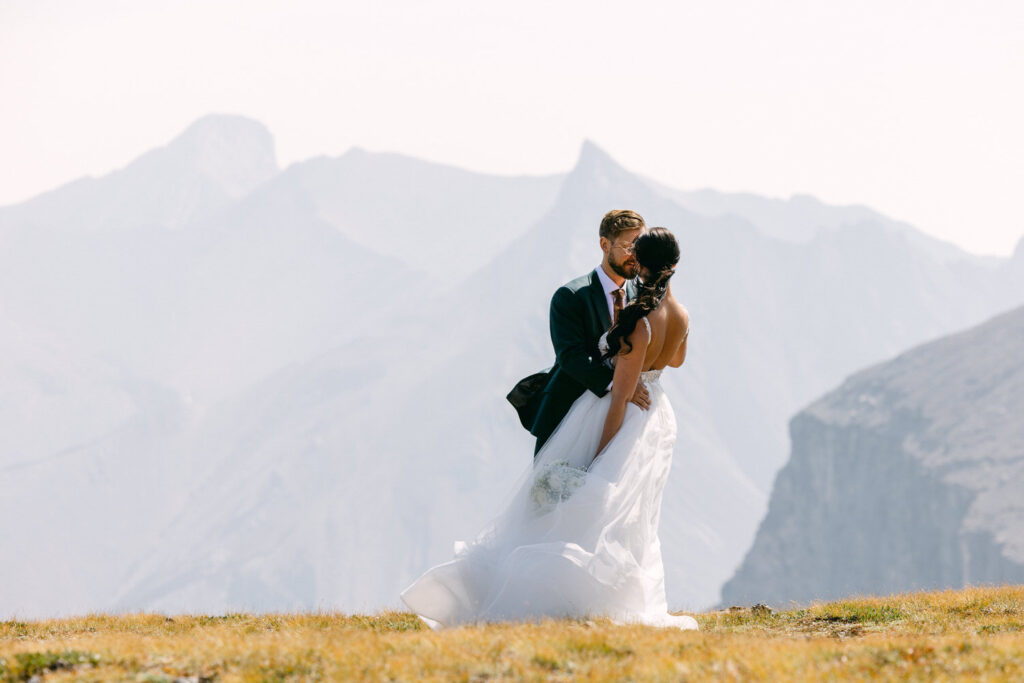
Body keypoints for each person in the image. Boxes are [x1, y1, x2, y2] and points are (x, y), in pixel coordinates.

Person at [400, 227, 697, 630]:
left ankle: (560, 596)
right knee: (629, 515)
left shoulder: (639, 324)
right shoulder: (682, 317)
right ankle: (611, 595)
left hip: (618, 420)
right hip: (656, 424)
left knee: (586, 503)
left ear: (640, 267)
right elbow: (675, 362)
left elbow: (620, 398)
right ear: (674, 266)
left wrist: (598, 458)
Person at [507, 210, 652, 456]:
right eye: (629, 246)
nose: (635, 256)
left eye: (641, 247)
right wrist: (621, 387)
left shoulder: (642, 297)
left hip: (619, 425)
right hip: (566, 417)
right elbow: (571, 357)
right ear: (605, 245)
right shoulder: (571, 296)